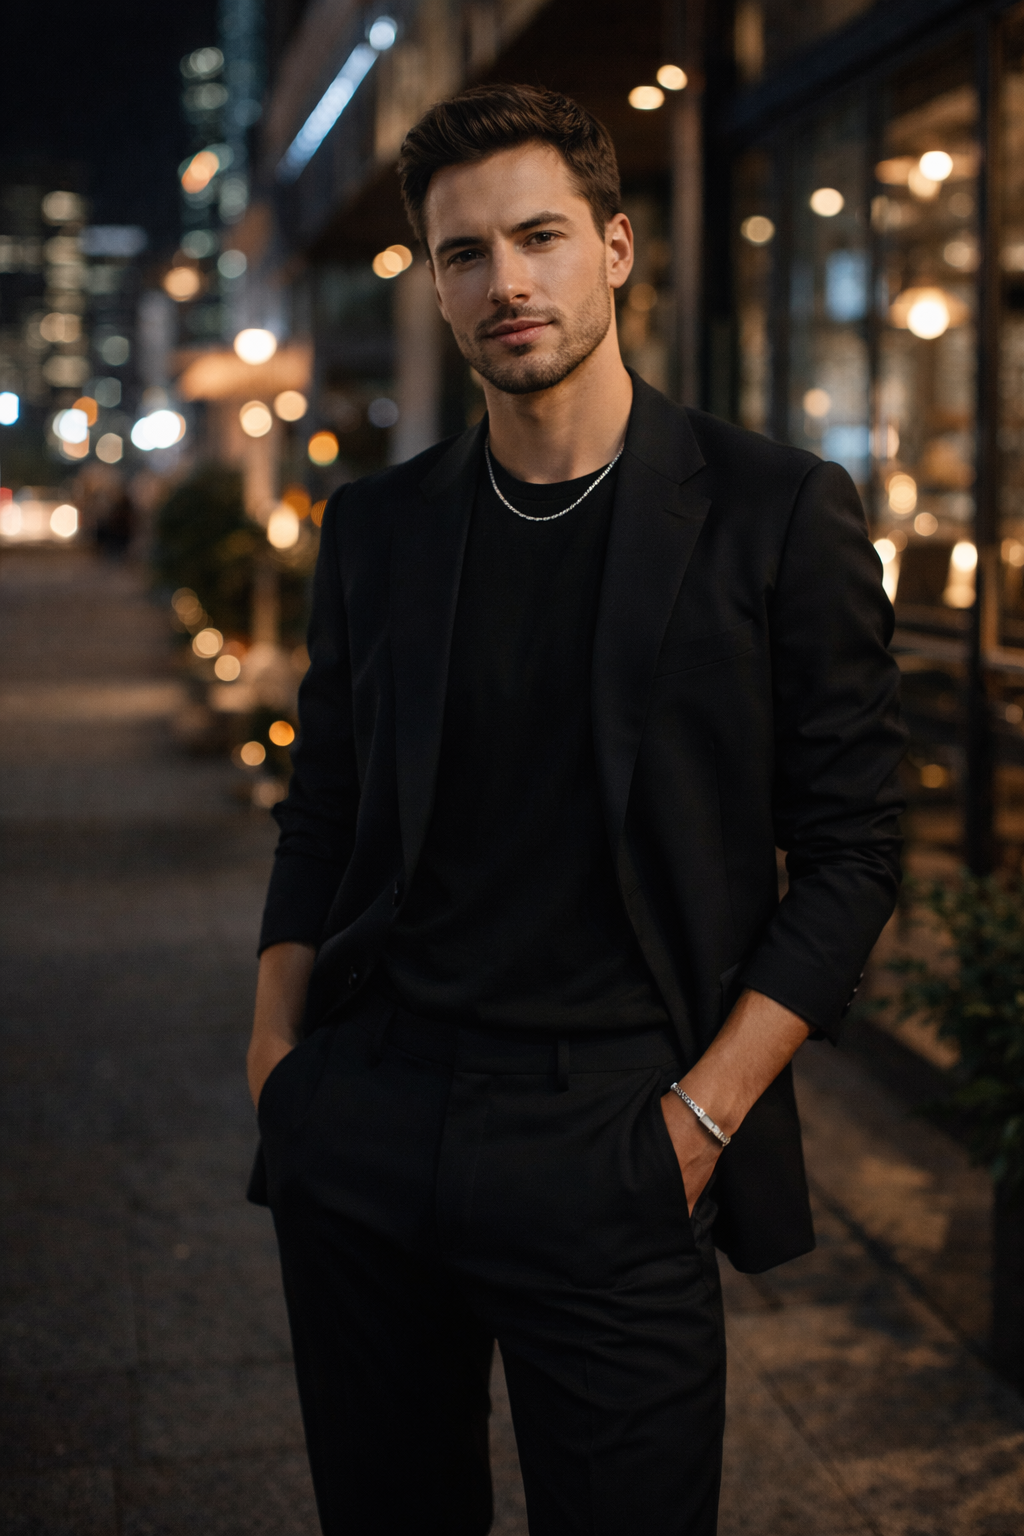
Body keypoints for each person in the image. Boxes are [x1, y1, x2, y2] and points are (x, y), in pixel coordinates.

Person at [246, 84, 905, 1536]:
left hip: (615, 1131)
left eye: (539, 236)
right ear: (433, 280)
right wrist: (278, 1059)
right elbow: (329, 804)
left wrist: (699, 1117)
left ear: (616, 247)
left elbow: (857, 851)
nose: (507, 282)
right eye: (464, 254)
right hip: (369, 1115)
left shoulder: (774, 513)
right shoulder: (380, 530)